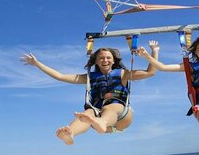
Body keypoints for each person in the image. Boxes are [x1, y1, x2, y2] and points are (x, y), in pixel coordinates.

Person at [20, 41, 159, 145]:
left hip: (122, 118)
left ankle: (102, 122)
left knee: (110, 107)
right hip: (97, 119)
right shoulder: (89, 77)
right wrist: (37, 64)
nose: (105, 60)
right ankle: (70, 134)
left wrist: (154, 51)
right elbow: (60, 76)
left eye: (108, 58)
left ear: (113, 60)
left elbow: (151, 72)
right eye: (101, 58)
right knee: (87, 113)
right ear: (96, 62)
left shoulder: (123, 74)